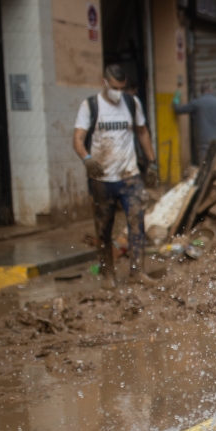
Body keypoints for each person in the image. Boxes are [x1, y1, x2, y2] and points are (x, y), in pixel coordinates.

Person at [73, 64, 158, 289]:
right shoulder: (90, 106)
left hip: (129, 176)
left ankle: (137, 271)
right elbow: (78, 139)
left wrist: (152, 162)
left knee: (137, 223)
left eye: (121, 88)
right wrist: (86, 159)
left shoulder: (132, 103)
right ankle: (107, 274)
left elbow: (142, 131)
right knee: (104, 228)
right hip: (101, 180)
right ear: (104, 82)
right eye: (114, 87)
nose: (118, 92)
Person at [174, 82, 216, 164]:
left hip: (204, 140)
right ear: (211, 90)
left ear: (201, 91)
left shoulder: (196, 103)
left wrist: (176, 98)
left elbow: (178, 110)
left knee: (205, 163)